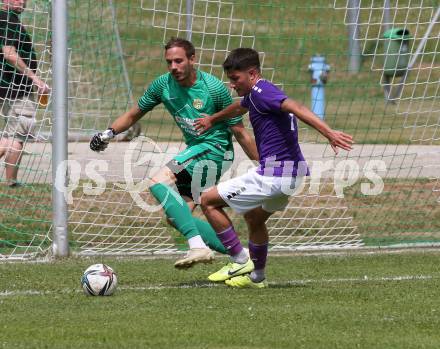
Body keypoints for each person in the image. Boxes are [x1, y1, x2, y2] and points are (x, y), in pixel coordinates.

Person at [90, 38, 258, 268]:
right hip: (195, 151)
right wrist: (108, 133)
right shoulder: (162, 85)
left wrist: (263, 164)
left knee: (157, 181)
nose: (173, 67)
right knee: (177, 216)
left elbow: (240, 132)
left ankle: (198, 247)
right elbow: (134, 114)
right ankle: (245, 257)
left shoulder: (214, 89)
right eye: (169, 62)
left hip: (214, 150)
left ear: (192, 59)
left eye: (179, 61)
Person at [195, 48, 353, 288]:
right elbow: (239, 107)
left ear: (252, 73)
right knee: (254, 218)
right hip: (292, 175)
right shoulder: (256, 94)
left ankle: (239, 260)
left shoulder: (264, 92)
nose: (232, 84)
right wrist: (212, 119)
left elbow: (297, 107)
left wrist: (328, 132)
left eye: (235, 79)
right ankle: (257, 277)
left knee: (207, 200)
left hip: (274, 175)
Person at [0, 0, 50, 186]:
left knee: (10, 135)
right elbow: (9, 53)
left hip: (7, 88)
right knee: (17, 136)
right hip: (16, 89)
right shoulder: (9, 20)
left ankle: (11, 180)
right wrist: (35, 79)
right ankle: (11, 182)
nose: (22, 1)